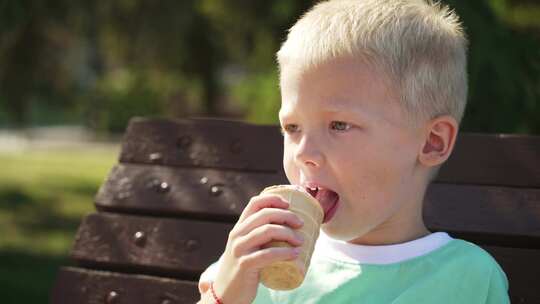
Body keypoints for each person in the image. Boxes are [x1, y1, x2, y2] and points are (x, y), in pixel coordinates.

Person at [197, 0, 510, 303]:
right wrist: (223, 297)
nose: (304, 152)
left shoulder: (465, 277)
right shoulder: (255, 264)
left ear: (432, 142)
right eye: (292, 128)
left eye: (339, 126)